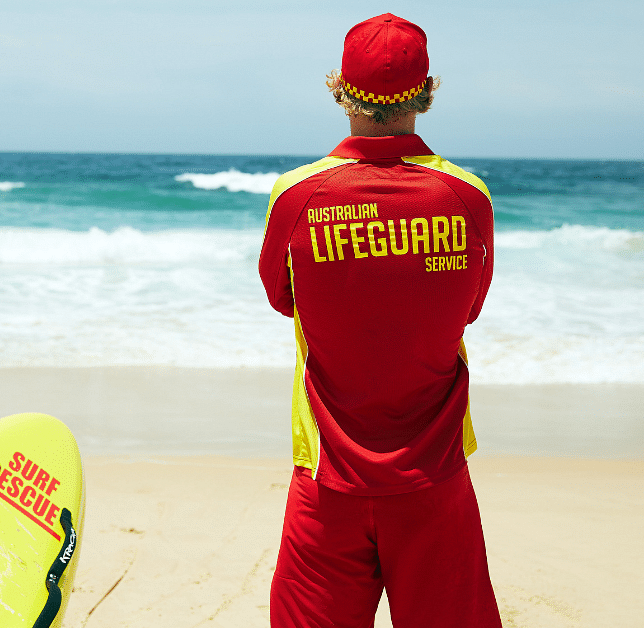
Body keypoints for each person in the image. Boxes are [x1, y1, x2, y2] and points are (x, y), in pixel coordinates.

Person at [258, 15, 501, 628]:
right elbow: (470, 307)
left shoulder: (297, 194)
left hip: (327, 478)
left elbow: (282, 299)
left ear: (341, 88)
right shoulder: (467, 197)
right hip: (435, 475)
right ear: (426, 92)